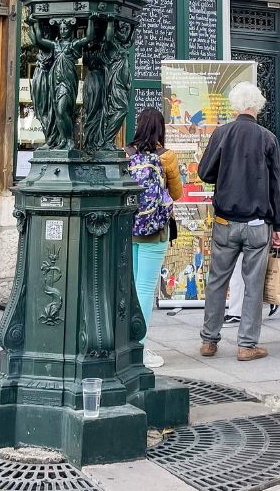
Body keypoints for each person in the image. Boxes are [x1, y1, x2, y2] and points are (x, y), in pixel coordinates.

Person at [197, 82, 280, 362]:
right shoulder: (268, 138)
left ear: (235, 106)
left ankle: (209, 340)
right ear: (257, 106)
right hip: (258, 223)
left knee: (216, 281)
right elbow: (276, 186)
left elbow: (205, 172)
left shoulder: (222, 133)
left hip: (225, 220)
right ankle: (247, 344)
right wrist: (279, 226)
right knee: (253, 284)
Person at [126, 107, 183, 369]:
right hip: (155, 230)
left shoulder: (126, 154)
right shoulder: (166, 157)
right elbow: (177, 193)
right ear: (161, 129)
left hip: (130, 228)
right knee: (146, 289)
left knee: (132, 286)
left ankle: (127, 343)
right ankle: (139, 347)